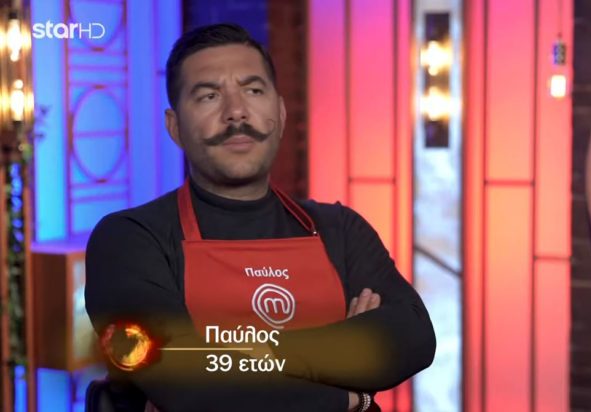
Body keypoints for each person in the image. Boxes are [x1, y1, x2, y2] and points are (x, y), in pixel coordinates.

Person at [85, 23, 436, 412]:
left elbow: (414, 338)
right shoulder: (130, 239)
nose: (236, 112)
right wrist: (350, 391)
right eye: (209, 96)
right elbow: (186, 382)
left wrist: (235, 356)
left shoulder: (340, 230)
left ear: (280, 113)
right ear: (175, 127)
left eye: (253, 91)